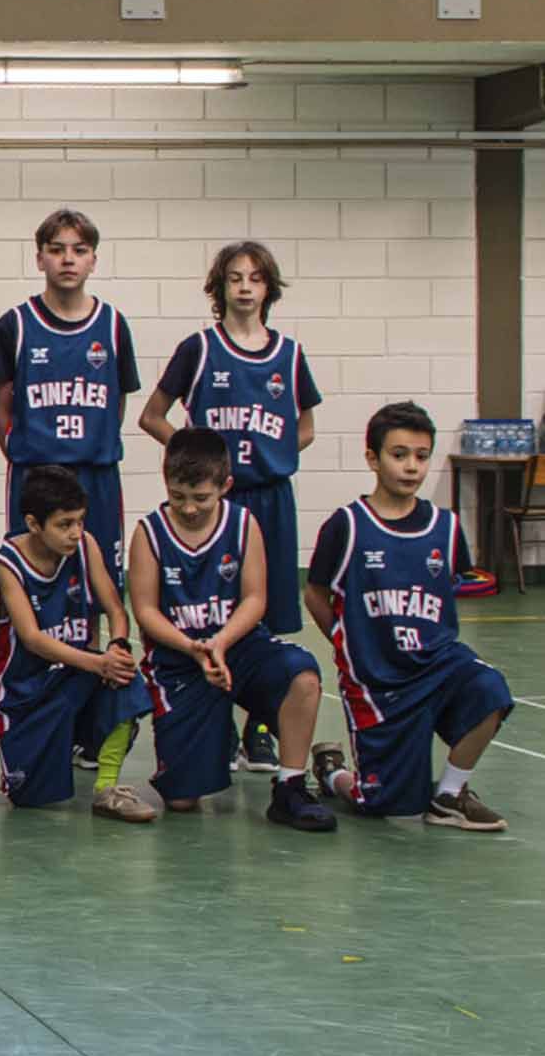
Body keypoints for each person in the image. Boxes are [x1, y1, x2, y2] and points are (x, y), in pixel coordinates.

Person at [137, 241, 320, 774]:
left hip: (268, 495)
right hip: (215, 499)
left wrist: (277, 453)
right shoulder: (198, 347)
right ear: (219, 288)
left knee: (271, 613)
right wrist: (198, 465)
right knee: (205, 606)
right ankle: (205, 707)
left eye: (255, 277)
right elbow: (153, 416)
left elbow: (305, 425)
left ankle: (257, 727)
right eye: (234, 277)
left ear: (269, 288)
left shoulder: (288, 352)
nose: (244, 286)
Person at [306, 402, 511, 830]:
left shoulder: (446, 527)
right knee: (387, 805)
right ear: (372, 459)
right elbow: (315, 593)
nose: (411, 466)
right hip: (379, 680)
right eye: (399, 455)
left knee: (491, 689)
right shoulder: (346, 526)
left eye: (421, 455)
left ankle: (451, 793)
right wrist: (347, 642)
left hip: (437, 664)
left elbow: (449, 588)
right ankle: (331, 771)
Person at [125, 428, 335, 830]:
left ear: (226, 486)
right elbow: (146, 611)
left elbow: (255, 599)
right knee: (183, 800)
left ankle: (290, 786)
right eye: (178, 495)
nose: (188, 508)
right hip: (179, 659)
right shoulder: (148, 533)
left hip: (236, 645)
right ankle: (216, 733)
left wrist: (220, 642)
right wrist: (193, 647)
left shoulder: (243, 525)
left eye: (201, 498)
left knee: (303, 675)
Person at [0, 209, 141, 601]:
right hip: (35, 472)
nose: (68, 259)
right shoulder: (15, 325)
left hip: (96, 474)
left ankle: (89, 660)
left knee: (97, 586)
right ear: (39, 258)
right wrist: (27, 454)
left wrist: (92, 442)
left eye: (79, 249)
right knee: (32, 583)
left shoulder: (112, 324)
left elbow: (116, 404)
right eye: (56, 250)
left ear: (94, 259)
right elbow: (0, 409)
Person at [0, 466, 149, 820]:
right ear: (33, 524)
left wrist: (117, 647)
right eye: (65, 524)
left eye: (80, 521)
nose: (76, 532)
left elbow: (115, 609)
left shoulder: (85, 544)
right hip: (26, 693)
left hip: (73, 675)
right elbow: (32, 639)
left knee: (126, 678)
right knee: (30, 799)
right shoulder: (7, 563)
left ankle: (107, 787)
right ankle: (61, 743)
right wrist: (98, 663)